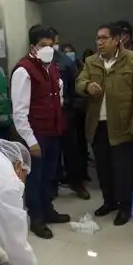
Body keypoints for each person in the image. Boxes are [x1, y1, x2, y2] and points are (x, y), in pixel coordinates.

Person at [76, 23, 133, 226]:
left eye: (104, 38)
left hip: (123, 126)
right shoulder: (91, 62)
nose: (99, 42)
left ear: (117, 40)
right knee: (103, 168)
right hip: (97, 126)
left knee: (122, 170)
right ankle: (109, 202)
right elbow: (79, 81)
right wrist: (86, 86)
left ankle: (125, 207)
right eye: (97, 38)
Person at [10, 25, 71, 238]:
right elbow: (19, 112)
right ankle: (36, 218)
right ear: (33, 47)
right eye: (43, 45)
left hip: (53, 131)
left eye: (52, 45)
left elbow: (57, 95)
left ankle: (48, 210)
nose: (48, 49)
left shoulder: (52, 67)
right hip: (35, 135)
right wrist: (31, 141)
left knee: (49, 175)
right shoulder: (23, 70)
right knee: (34, 178)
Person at [50, 30, 90, 200]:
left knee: (71, 151)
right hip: (46, 116)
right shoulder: (34, 63)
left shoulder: (65, 62)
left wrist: (71, 107)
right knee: (50, 154)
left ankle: (77, 184)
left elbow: (76, 90)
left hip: (66, 113)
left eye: (54, 42)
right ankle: (51, 187)